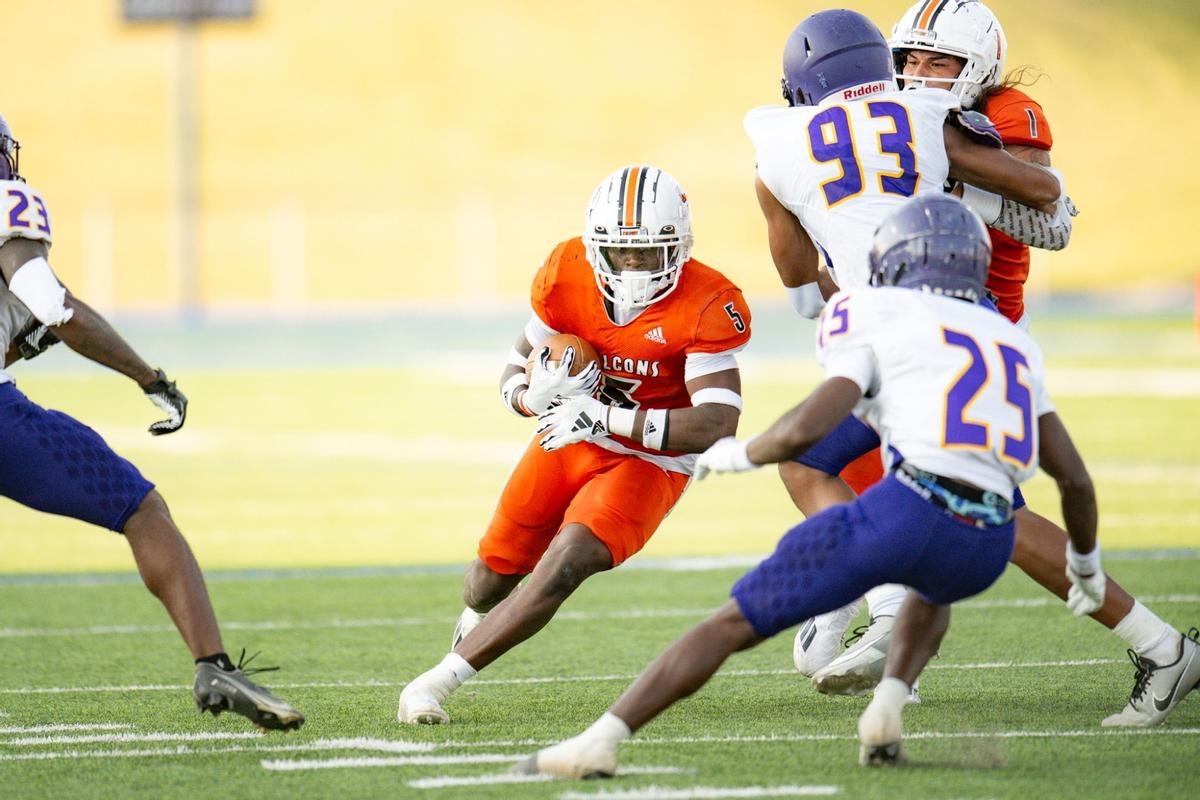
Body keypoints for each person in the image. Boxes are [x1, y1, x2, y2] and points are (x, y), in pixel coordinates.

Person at [512, 192, 1103, 776]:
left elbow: (808, 427)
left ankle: (601, 739)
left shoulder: (873, 315)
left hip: (907, 515)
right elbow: (1073, 479)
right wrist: (1084, 566)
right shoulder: (1014, 343)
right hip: (988, 543)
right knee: (932, 583)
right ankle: (888, 710)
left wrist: (742, 454)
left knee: (730, 623)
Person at [780, 0, 1200, 728]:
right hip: (911, 337)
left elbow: (1052, 213)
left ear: (974, 69)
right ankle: (882, 612)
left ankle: (1159, 646)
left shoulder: (1000, 115)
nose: (916, 74)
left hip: (978, 339)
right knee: (818, 459)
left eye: (935, 62)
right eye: (907, 60)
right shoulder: (893, 117)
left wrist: (946, 175)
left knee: (987, 515)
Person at [397, 164, 753, 725]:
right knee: (488, 582)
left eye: (648, 253)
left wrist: (606, 416)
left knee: (568, 561)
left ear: (680, 249)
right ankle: (476, 621)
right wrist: (531, 399)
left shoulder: (708, 301)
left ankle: (438, 682)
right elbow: (515, 371)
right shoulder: (566, 273)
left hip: (651, 459)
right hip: (569, 435)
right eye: (620, 253)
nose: (633, 266)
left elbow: (715, 425)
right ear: (594, 249)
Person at [0, 113, 304, 732]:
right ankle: (212, 663)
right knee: (142, 509)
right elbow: (54, 305)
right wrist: (148, 375)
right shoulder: (9, 201)